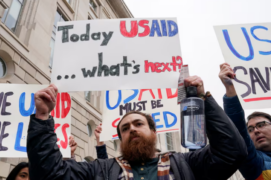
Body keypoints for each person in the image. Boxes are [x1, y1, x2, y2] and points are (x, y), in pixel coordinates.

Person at [26, 76, 247, 180]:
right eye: (124, 128)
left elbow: (232, 152)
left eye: (138, 124)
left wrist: (202, 98)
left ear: (154, 132)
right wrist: (43, 117)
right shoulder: (100, 170)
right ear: (120, 139)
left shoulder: (185, 164)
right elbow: (51, 175)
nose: (131, 129)